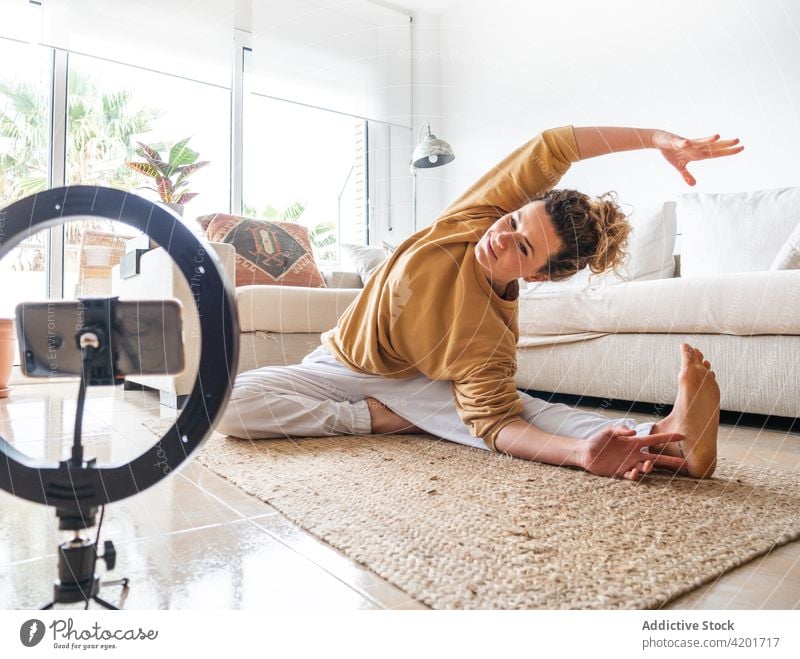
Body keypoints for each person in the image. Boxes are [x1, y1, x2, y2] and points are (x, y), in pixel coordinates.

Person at [216, 125, 743, 481]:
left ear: (536, 275)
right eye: (513, 221)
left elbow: (500, 426)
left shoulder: (487, 339)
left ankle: (669, 440)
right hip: (336, 365)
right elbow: (556, 144)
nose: (501, 237)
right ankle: (382, 419)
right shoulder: (474, 218)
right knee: (225, 405)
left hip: (418, 384)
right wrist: (654, 139)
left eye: (523, 246)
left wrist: (583, 457)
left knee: (524, 414)